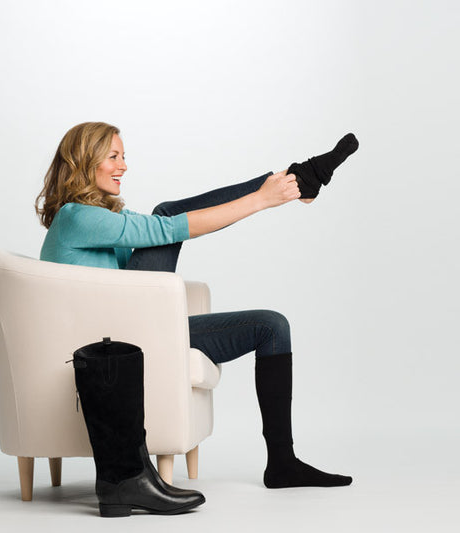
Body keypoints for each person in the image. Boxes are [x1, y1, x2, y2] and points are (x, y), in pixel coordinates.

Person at [35, 121, 359, 492]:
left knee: (272, 327)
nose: (123, 165)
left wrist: (275, 187)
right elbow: (168, 229)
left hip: (136, 329)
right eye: (113, 156)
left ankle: (283, 463)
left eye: (123, 156)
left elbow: (160, 233)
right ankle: (300, 178)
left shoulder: (101, 219)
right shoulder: (77, 217)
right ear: (84, 160)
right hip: (114, 348)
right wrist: (262, 200)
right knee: (165, 217)